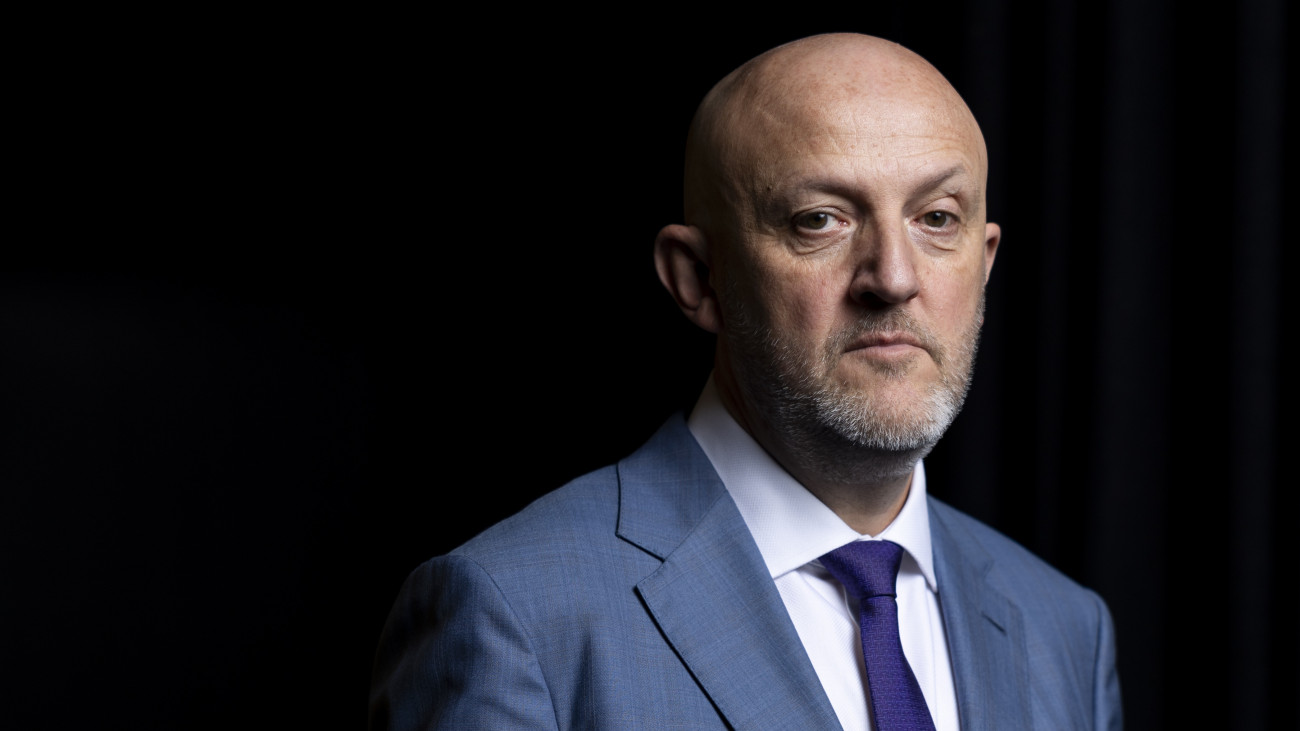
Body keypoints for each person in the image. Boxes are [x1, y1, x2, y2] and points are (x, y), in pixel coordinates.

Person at [369, 33, 1121, 730]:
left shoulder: (1065, 629)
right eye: (819, 219)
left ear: (984, 262)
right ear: (697, 278)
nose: (894, 277)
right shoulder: (515, 619)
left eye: (937, 217)